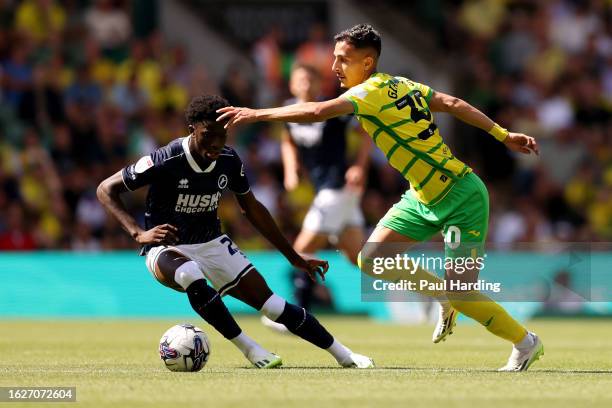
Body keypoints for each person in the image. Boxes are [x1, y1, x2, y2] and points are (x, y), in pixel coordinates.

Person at [217, 24, 544, 372]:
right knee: (371, 258)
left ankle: (525, 343)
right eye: (334, 58)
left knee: (465, 294)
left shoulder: (367, 93)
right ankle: (440, 295)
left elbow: (315, 112)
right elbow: (453, 103)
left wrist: (256, 113)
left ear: (368, 62)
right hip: (422, 197)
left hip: (461, 197)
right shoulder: (401, 84)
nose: (334, 67)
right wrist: (502, 134)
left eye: (344, 59)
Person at [97, 94, 374, 369]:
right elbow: (105, 190)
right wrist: (138, 233)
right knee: (189, 273)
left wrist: (294, 256)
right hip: (168, 248)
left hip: (213, 243)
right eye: (209, 134)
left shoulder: (229, 160)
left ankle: (344, 355)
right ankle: (250, 349)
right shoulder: (166, 159)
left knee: (273, 305)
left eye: (223, 134)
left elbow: (252, 209)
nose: (216, 143)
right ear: (192, 129)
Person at [263, 64, 370, 330]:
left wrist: (359, 166)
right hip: (333, 193)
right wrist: (290, 168)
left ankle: (296, 319)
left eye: (311, 80)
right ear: (292, 85)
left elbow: (365, 133)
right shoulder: (290, 110)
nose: (305, 84)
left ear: (320, 84)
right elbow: (288, 139)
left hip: (336, 189)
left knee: (300, 253)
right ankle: (425, 292)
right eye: (300, 80)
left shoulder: (330, 109)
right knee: (361, 259)